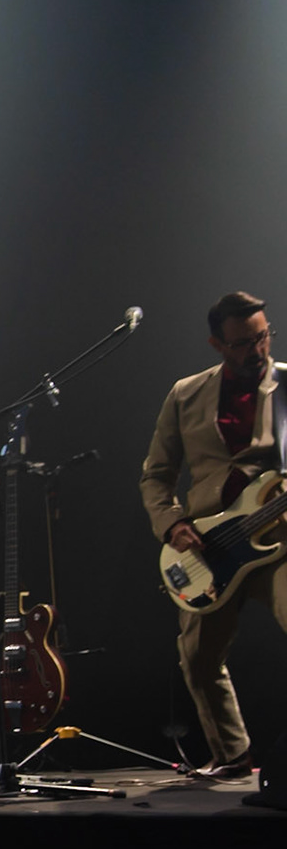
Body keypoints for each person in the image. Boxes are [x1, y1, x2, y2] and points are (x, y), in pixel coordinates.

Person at [141, 291, 287, 779]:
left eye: (264, 336)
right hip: (211, 546)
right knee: (198, 659)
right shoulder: (185, 394)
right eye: (244, 342)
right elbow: (156, 476)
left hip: (278, 536)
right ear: (217, 344)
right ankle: (233, 756)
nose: (259, 349)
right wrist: (174, 524)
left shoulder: (286, 383)